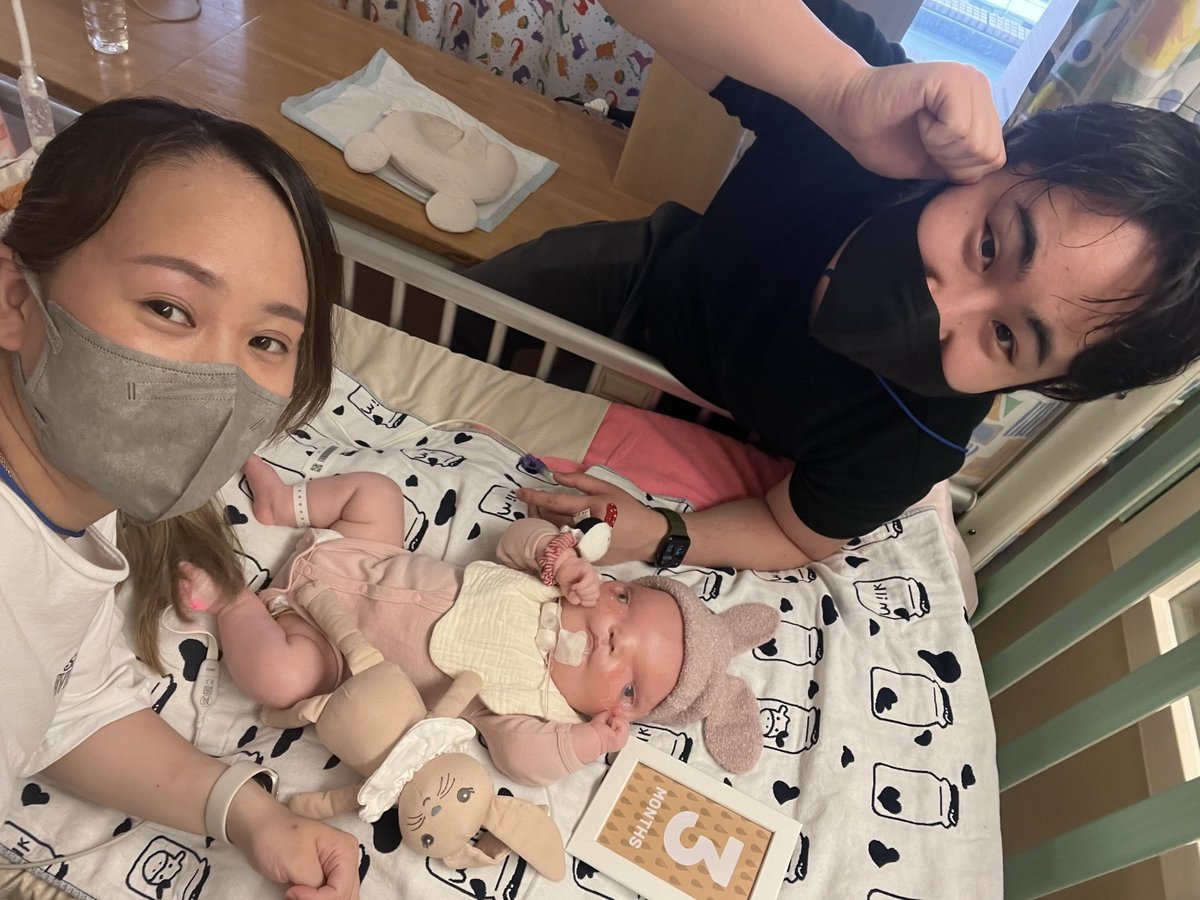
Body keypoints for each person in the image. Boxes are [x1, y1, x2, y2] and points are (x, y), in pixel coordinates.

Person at [457, 0, 1200, 573]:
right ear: (998, 161)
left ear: (1040, 382)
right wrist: (834, 88)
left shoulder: (913, 441)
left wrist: (666, 535)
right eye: (988, 244)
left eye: (1006, 337)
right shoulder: (872, 125)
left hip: (736, 429)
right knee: (490, 295)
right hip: (655, 284)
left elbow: (793, 533)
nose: (945, 305)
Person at [0, 98, 360, 899]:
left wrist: (251, 815)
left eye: (266, 341)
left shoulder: (71, 485)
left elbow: (66, 700)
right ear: (16, 298)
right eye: (169, 308)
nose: (219, 383)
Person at [178, 456, 779, 784]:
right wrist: (557, 555)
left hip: (324, 648)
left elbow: (521, 760)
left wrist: (588, 743)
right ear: (615, 583)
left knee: (279, 677)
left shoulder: (537, 707)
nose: (609, 641)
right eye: (623, 605)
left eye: (628, 684)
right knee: (378, 495)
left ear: (616, 711)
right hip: (368, 553)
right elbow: (513, 539)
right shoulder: (552, 584)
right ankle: (286, 503)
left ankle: (233, 604)